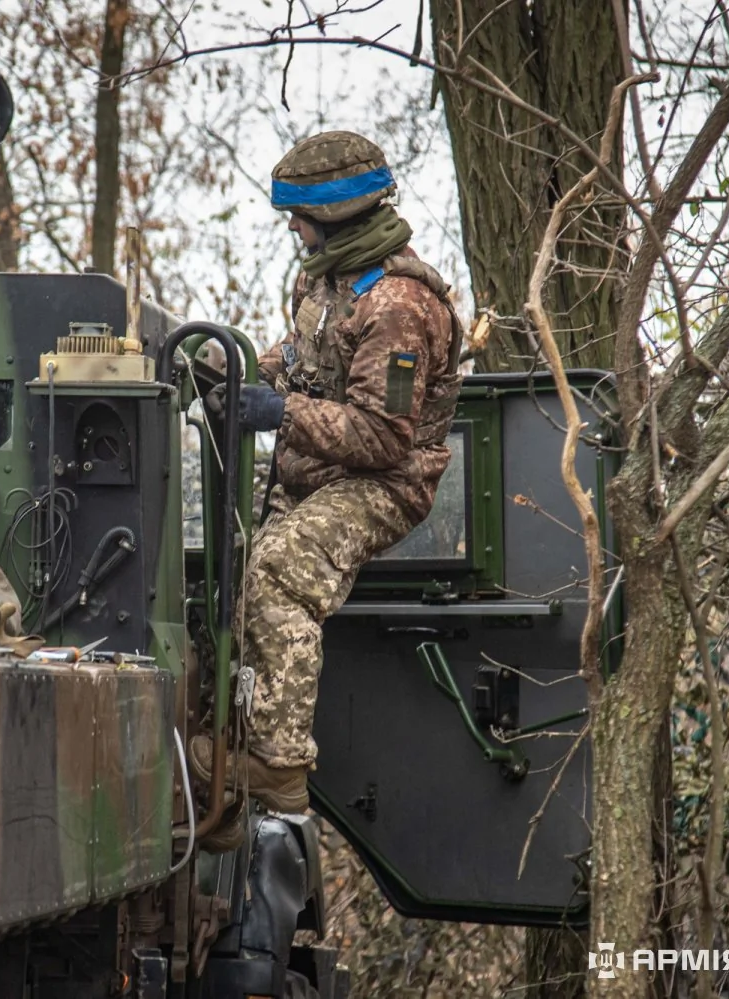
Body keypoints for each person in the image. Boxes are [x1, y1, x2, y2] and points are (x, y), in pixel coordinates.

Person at [193, 131, 464, 833]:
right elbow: (295, 358)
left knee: (281, 573)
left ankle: (278, 769)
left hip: (384, 483)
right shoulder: (324, 281)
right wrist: (233, 370)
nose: (291, 226)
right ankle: (225, 771)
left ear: (335, 214)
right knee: (229, 576)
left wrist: (278, 411)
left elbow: (382, 439)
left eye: (299, 213)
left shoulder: (399, 306)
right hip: (315, 470)